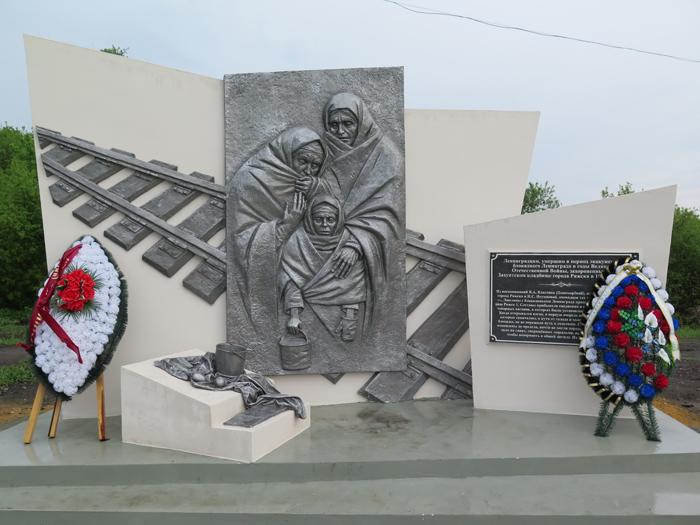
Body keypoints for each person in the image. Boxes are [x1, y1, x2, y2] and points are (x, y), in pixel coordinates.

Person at [227, 126, 327, 344]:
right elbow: (241, 242)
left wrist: (318, 188)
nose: (308, 171)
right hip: (275, 271)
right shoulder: (251, 180)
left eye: (315, 166)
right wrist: (286, 225)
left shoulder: (309, 184)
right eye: (303, 161)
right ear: (286, 153)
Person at [319, 93, 405, 343]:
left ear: (362, 122)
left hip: (363, 244)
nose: (340, 132)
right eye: (334, 125)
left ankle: (352, 320)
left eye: (348, 124)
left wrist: (356, 244)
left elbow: (388, 213)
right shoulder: (323, 151)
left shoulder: (387, 155)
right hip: (324, 231)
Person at [279, 194, 366, 344]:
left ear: (338, 219)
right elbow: (290, 279)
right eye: (318, 219)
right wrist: (294, 316)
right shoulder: (297, 241)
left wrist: (350, 317)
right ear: (310, 219)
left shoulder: (350, 244)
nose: (325, 225)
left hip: (342, 319)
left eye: (330, 219)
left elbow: (353, 283)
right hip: (306, 315)